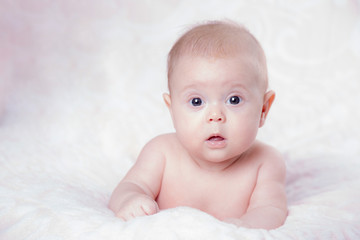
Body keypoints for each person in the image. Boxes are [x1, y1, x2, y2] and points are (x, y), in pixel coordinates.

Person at [109, 20, 287, 229]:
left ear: (263, 110)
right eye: (196, 102)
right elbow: (129, 187)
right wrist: (131, 200)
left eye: (234, 99)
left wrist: (241, 228)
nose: (215, 116)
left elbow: (271, 210)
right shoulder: (161, 152)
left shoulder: (265, 163)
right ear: (172, 109)